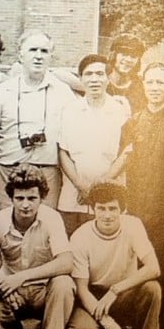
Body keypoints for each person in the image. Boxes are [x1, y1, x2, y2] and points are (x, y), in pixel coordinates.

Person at [112, 62, 164, 329]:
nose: (155, 88)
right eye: (150, 83)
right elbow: (123, 166)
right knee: (133, 272)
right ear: (143, 86)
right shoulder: (132, 123)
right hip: (135, 212)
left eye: (160, 83)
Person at [0, 164, 74, 329]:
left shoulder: (52, 218)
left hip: (43, 292)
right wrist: (2, 284)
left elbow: (66, 262)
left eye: (32, 198)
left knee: (64, 283)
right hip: (11, 292)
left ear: (42, 198)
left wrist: (22, 277)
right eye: (20, 198)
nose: (25, 205)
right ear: (11, 198)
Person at [0, 29, 76, 214]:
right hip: (8, 173)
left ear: (51, 56)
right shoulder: (0, 92)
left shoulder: (64, 92)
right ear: (20, 54)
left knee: (43, 233)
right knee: (6, 231)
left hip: (48, 175)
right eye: (32, 50)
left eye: (44, 51)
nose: (38, 56)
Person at [66, 181, 161, 329]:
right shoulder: (80, 236)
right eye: (101, 208)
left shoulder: (133, 225)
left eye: (113, 208)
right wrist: (108, 323)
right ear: (93, 209)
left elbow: (153, 268)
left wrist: (115, 290)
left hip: (122, 293)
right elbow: (81, 289)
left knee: (151, 288)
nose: (107, 215)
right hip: (91, 297)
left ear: (122, 210)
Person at [57, 54, 130, 235]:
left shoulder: (120, 110)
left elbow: (127, 152)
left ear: (108, 78)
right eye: (88, 74)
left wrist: (100, 185)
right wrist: (80, 185)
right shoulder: (69, 110)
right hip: (73, 197)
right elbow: (62, 152)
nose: (95, 79)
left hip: (109, 196)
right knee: (73, 250)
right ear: (81, 78)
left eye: (100, 73)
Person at [106, 33, 147, 115]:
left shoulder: (141, 87)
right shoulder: (100, 80)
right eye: (124, 54)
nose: (128, 60)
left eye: (133, 56)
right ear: (113, 55)